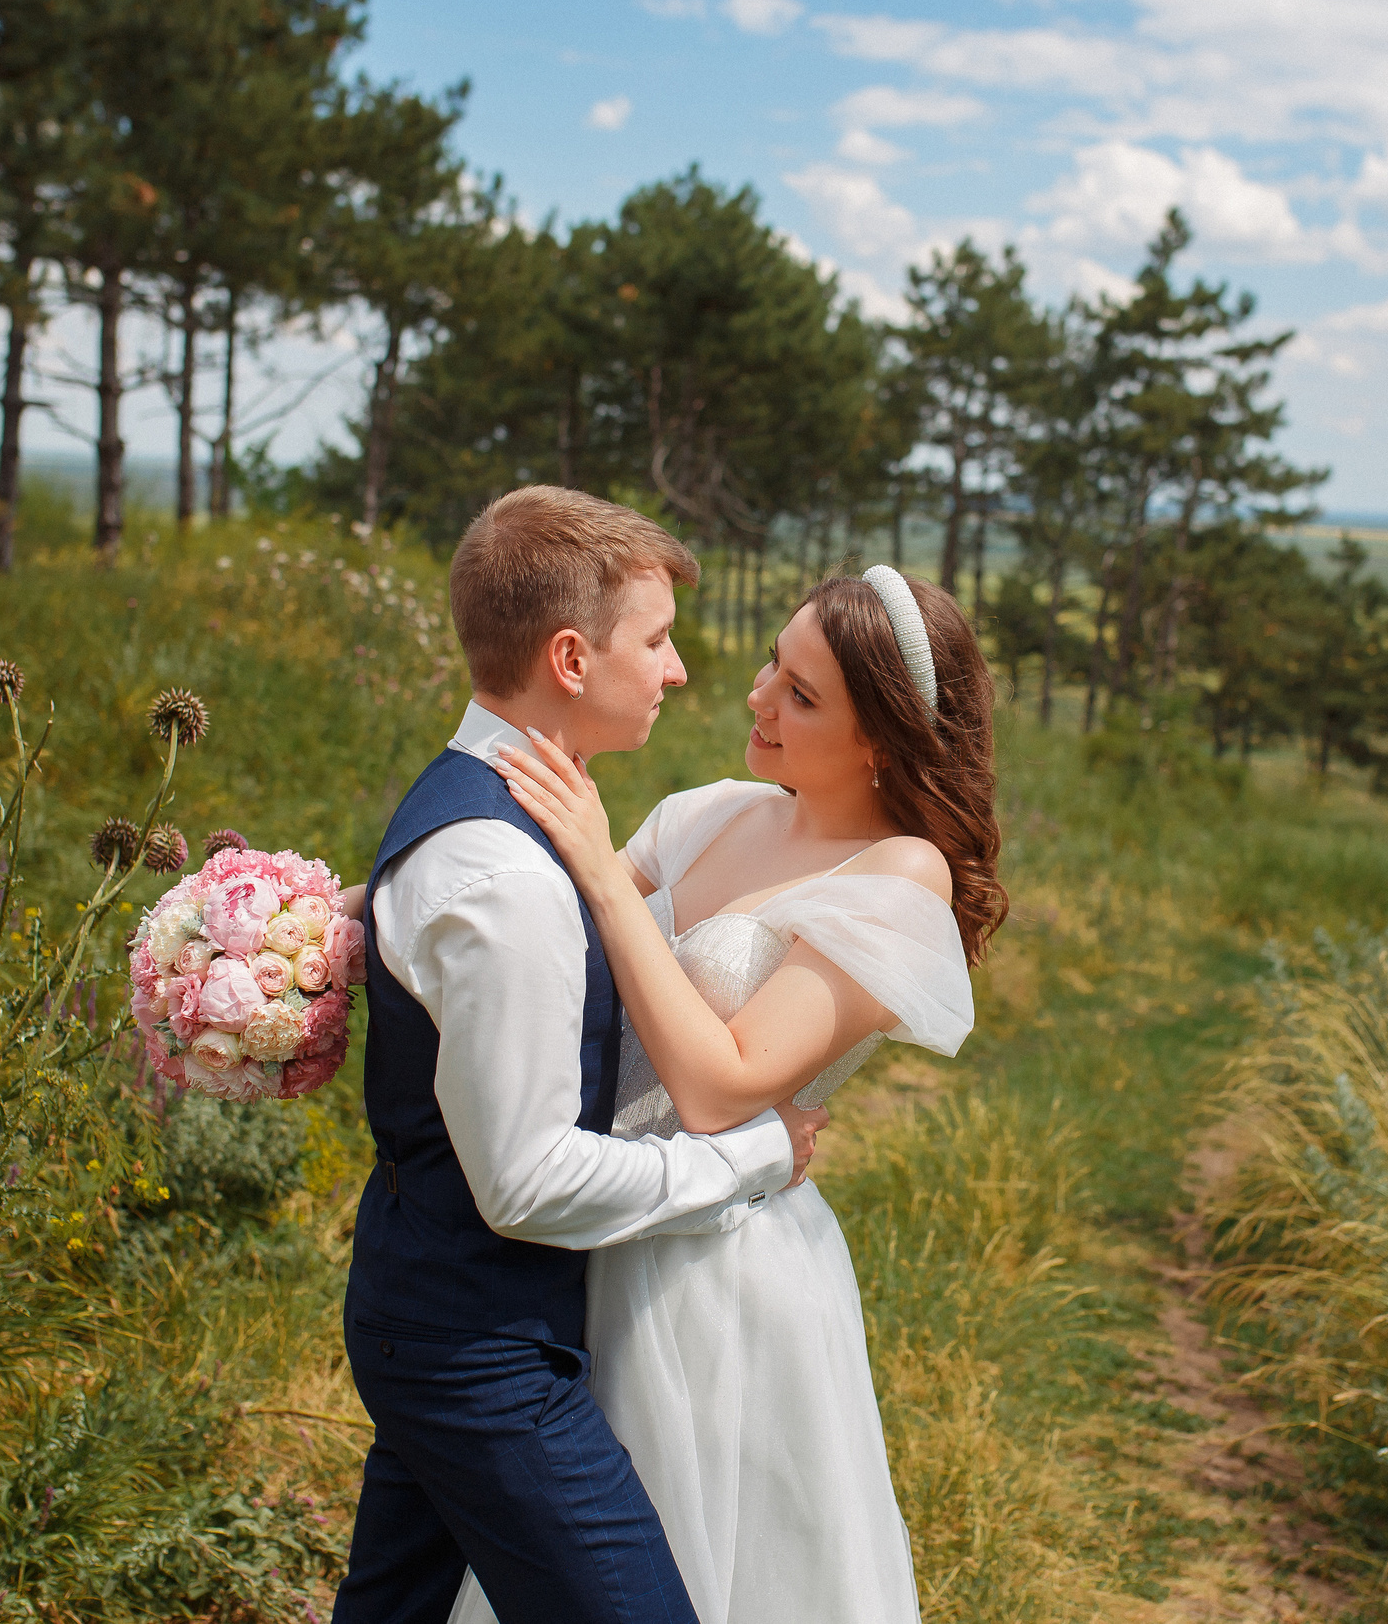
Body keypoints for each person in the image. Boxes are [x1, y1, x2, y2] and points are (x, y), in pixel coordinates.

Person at [464, 563, 1006, 1623]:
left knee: (692, 1563)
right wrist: (324, 922)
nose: (757, 695)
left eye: (802, 695)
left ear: (880, 742)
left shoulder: (896, 878)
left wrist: (594, 863)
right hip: (589, 1210)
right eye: (775, 662)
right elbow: (531, 926)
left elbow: (719, 1089)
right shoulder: (713, 813)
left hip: (715, 1273)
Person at [335, 486, 827, 1624]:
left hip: (435, 1309)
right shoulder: (505, 875)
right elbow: (527, 1182)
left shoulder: (495, 805)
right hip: (477, 1357)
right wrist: (747, 1160)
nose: (678, 671)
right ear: (569, 656)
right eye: (654, 641)